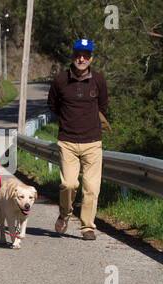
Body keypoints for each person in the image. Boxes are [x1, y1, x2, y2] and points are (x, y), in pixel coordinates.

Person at [47, 39, 108, 240]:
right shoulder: (60, 80)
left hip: (93, 142)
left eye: (86, 55)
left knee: (91, 188)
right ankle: (64, 214)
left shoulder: (98, 80)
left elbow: (103, 106)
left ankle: (87, 227)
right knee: (69, 184)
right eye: (78, 55)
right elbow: (53, 105)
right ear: (72, 56)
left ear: (91, 58)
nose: (81, 58)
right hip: (68, 142)